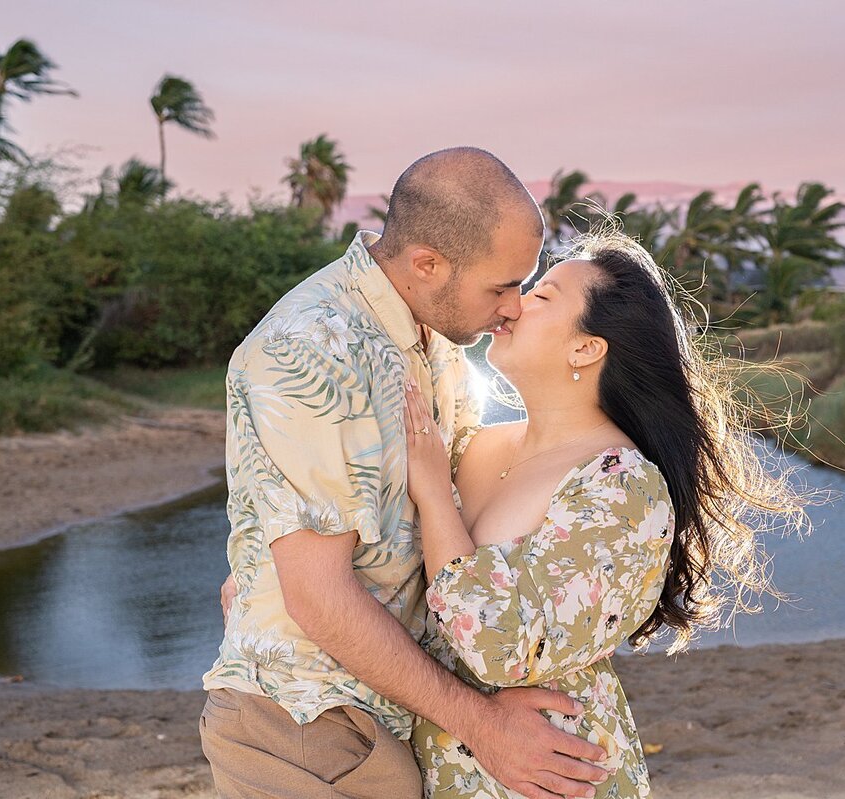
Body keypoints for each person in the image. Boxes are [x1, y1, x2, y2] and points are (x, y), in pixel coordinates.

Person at [200, 147, 611, 799]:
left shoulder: (438, 343)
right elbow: (316, 595)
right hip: (304, 723)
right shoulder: (307, 348)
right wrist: (485, 726)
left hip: (392, 712)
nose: (513, 308)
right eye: (501, 285)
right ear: (426, 263)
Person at [400, 229, 813, 798]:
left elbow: (502, 648)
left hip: (550, 774)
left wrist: (433, 494)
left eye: (541, 296)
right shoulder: (473, 444)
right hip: (441, 765)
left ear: (587, 347)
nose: (513, 305)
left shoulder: (621, 485)